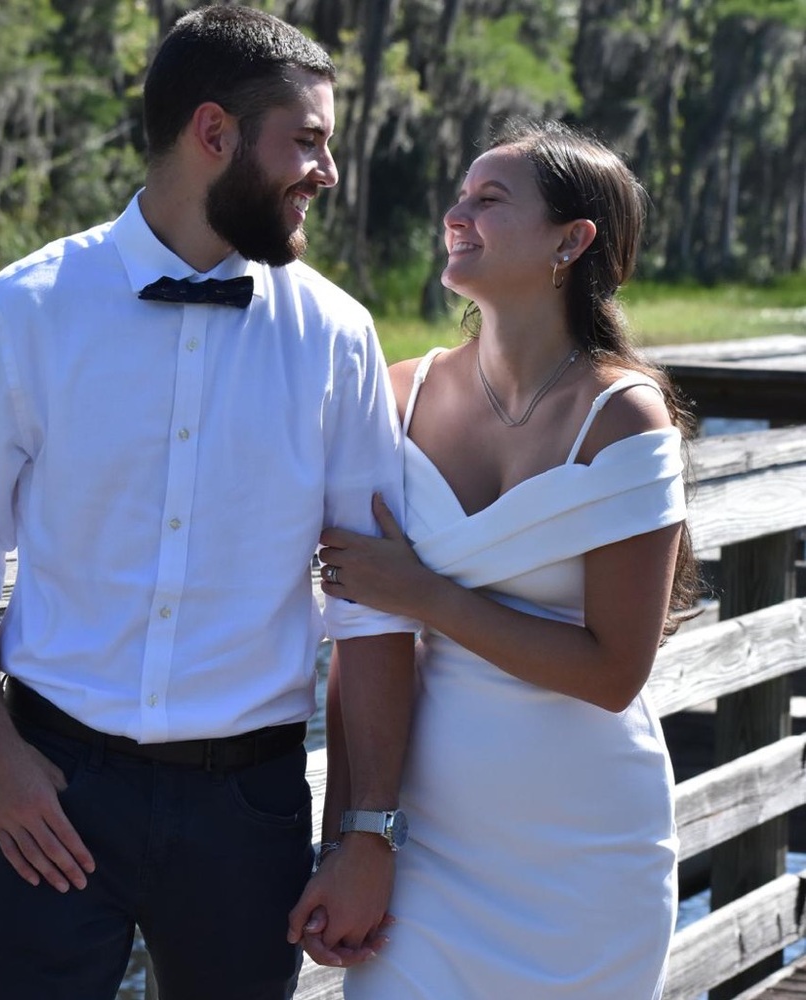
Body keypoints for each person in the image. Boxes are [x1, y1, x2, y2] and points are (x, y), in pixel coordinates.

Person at [0, 7, 417, 999]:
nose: (328, 170)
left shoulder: (339, 337)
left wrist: (366, 832)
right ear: (213, 133)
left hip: (250, 810)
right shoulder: (19, 310)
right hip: (49, 791)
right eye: (306, 140)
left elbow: (373, 602)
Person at [308, 119, 700, 998]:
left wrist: (429, 595)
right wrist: (348, 839)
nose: (458, 213)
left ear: (571, 240)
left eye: (490, 199)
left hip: (587, 858)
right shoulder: (393, 397)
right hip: (425, 846)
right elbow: (362, 635)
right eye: (459, 195)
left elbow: (613, 673)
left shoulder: (625, 417)